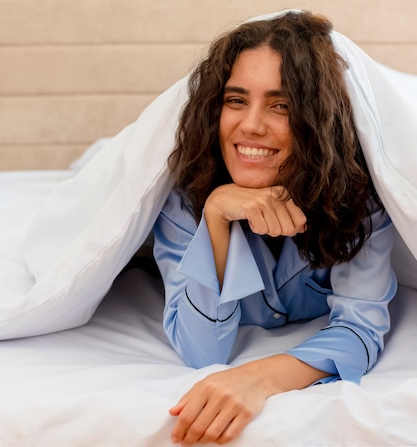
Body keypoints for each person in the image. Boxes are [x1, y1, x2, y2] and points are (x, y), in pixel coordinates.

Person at [152, 10, 397, 445]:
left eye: (281, 105)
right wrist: (216, 217)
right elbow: (202, 351)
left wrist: (259, 378)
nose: (251, 125)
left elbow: (360, 328)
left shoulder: (361, 198)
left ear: (318, 120)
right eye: (236, 100)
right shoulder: (182, 198)